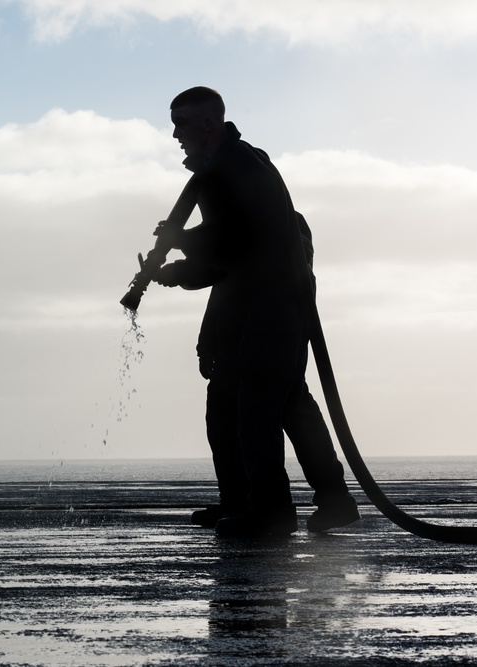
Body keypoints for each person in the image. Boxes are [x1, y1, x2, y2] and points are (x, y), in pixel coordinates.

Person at [151, 86, 359, 537]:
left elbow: (235, 241)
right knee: (248, 406)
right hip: (253, 308)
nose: (175, 135)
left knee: (259, 408)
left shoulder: (237, 167)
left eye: (181, 123)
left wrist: (181, 243)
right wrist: (180, 272)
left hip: (272, 309)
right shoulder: (219, 170)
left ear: (208, 124)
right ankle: (261, 501)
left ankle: (271, 512)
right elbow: (231, 258)